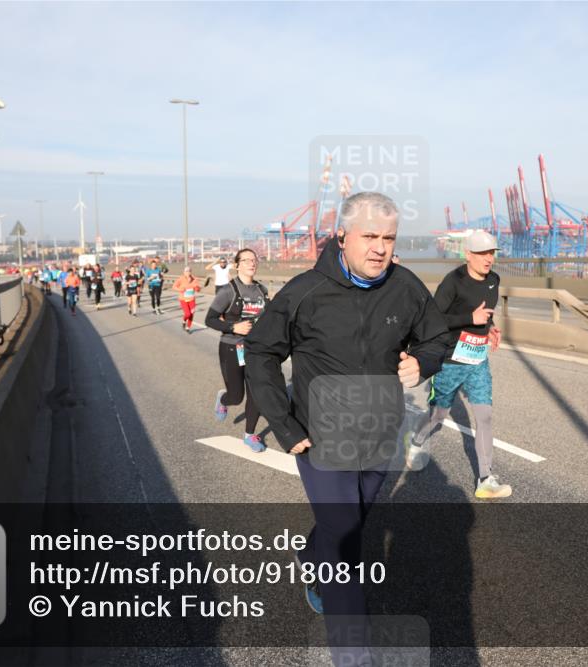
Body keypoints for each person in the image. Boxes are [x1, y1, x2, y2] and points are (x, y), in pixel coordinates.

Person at [244, 192, 450, 660]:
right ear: (343, 236)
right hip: (320, 435)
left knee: (348, 523)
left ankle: (309, 556)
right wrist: (285, 425)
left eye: (389, 238)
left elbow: (438, 336)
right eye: (370, 236)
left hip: (379, 433)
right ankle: (353, 652)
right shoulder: (304, 291)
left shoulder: (406, 286)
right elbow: (260, 352)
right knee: (343, 538)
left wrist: (423, 361)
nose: (380, 248)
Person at [405, 230, 510, 500]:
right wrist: (469, 317)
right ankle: (417, 441)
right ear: (468, 255)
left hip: (477, 360)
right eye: (482, 254)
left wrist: (490, 328)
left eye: (492, 253)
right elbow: (434, 318)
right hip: (449, 360)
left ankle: (486, 477)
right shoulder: (453, 282)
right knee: (438, 417)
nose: (488, 259)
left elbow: (484, 313)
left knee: (484, 416)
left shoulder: (494, 280)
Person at [205, 249, 269, 452]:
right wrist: (234, 327)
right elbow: (210, 319)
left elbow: (269, 318)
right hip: (232, 348)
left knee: (257, 394)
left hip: (256, 350)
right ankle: (224, 398)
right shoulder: (228, 291)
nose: (251, 263)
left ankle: (250, 435)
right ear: (237, 265)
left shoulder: (262, 290)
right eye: (246, 260)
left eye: (254, 259)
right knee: (237, 396)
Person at [173, 266, 202, 332]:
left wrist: (197, 288)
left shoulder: (194, 279)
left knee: (192, 313)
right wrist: (180, 289)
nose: (188, 272)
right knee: (187, 314)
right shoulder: (181, 279)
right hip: (183, 299)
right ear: (184, 272)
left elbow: (198, 290)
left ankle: (188, 327)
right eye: (186, 271)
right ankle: (184, 321)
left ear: (191, 272)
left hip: (192, 299)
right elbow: (174, 287)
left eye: (189, 271)